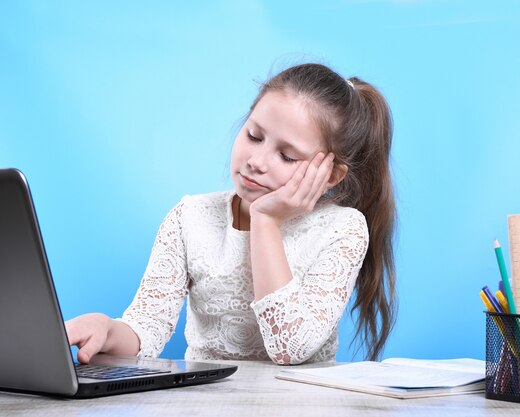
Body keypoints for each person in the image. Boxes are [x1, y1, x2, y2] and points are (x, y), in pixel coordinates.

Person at [65, 63, 397, 365]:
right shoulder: (191, 217)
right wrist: (107, 330)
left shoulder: (342, 228)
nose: (257, 160)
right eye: (254, 136)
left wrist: (265, 221)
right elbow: (147, 328)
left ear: (330, 175)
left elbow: (292, 348)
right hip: (207, 402)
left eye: (287, 156)